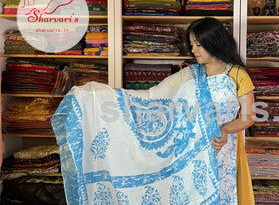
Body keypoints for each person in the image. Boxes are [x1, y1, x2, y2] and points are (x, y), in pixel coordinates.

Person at [51, 17, 255, 204]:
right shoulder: (190, 73)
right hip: (188, 154)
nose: (193, 50)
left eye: (198, 45)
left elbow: (249, 117)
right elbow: (154, 95)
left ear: (213, 42)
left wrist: (226, 130)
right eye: (191, 44)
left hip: (223, 150)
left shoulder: (237, 74)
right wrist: (98, 97)